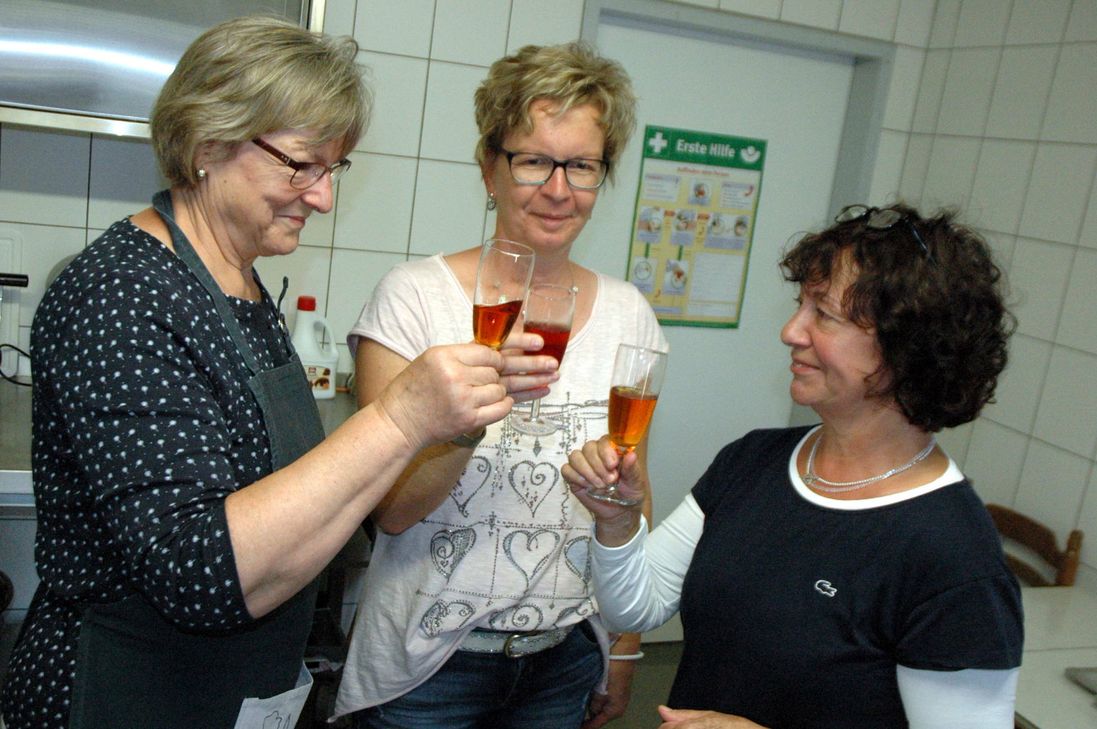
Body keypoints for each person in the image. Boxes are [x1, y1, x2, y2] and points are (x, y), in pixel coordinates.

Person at [0, 16, 554, 729]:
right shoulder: (120, 293)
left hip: (227, 690)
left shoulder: (239, 283)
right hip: (122, 693)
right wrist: (399, 417)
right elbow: (199, 571)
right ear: (208, 145)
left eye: (333, 169)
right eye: (301, 165)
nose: (323, 197)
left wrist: (451, 418)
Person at [563, 203, 1024, 728]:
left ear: (906, 344)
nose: (790, 331)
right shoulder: (753, 461)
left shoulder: (954, 556)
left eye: (823, 314)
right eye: (800, 305)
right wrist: (618, 523)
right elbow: (634, 608)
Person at [334, 42, 667, 729]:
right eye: (534, 160)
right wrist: (475, 412)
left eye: (581, 165)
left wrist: (625, 643)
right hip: (427, 665)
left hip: (564, 658)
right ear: (489, 166)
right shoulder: (413, 298)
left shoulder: (628, 313)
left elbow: (633, 493)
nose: (559, 189)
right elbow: (390, 510)